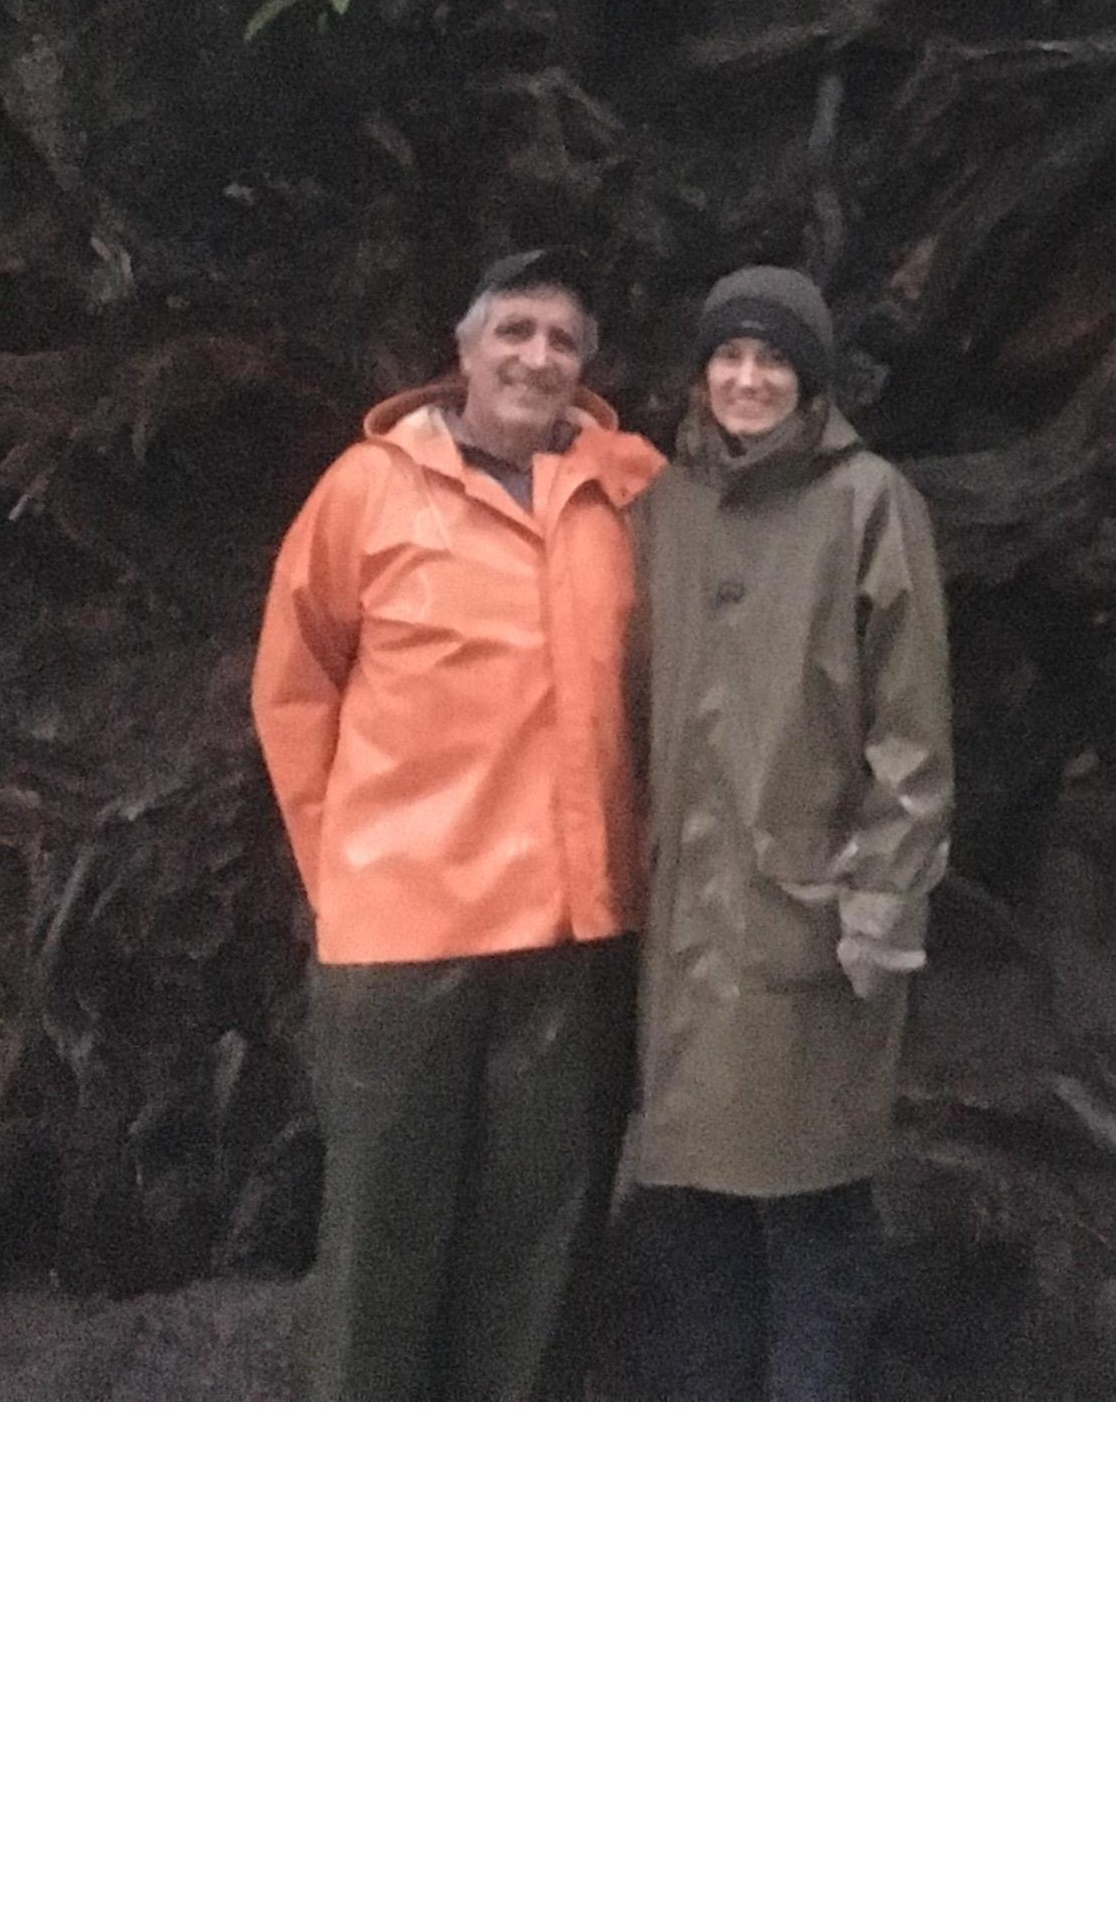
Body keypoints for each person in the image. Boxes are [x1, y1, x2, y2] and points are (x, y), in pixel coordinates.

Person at [251, 248, 662, 1399]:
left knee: (541, 1242)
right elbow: (295, 686)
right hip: (401, 931)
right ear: (466, 347)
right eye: (516, 331)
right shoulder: (367, 489)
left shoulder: (629, 490)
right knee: (385, 1237)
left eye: (564, 341)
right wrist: (342, 866)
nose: (539, 357)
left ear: (587, 368)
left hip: (576, 927)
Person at [620, 265, 952, 1398]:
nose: (747, 379)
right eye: (729, 357)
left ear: (810, 382)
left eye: (773, 361)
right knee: (698, 1217)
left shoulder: (869, 503)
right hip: (682, 924)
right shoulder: (665, 505)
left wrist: (882, 906)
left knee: (813, 1211)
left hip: (807, 915)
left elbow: (913, 734)